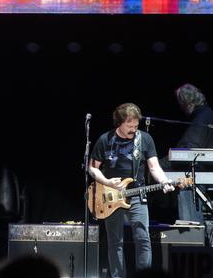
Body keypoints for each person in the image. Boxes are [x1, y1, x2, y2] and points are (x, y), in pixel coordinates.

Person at [88, 103, 175, 278]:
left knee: (143, 239)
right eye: (130, 126)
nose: (133, 130)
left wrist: (164, 181)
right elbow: (92, 168)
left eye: (136, 126)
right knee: (115, 242)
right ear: (119, 123)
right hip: (110, 196)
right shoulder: (105, 140)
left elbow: (154, 167)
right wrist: (107, 182)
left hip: (137, 195)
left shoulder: (144, 139)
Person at [174, 83, 213, 223]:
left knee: (184, 183)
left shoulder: (203, 117)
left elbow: (190, 149)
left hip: (200, 172)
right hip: (204, 170)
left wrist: (160, 163)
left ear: (185, 102)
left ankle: (192, 234)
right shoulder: (206, 114)